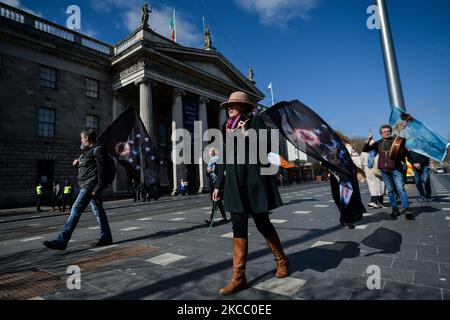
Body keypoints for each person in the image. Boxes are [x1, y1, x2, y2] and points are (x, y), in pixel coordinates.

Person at [212, 91, 288, 295]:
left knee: (263, 223)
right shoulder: (225, 128)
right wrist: (218, 185)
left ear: (244, 107)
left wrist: (246, 135)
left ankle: (281, 261)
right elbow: (223, 158)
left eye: (234, 104)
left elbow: (265, 152)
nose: (229, 107)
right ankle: (239, 277)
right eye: (228, 105)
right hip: (234, 184)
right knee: (238, 226)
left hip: (254, 181)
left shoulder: (257, 122)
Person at [43, 128, 113, 250]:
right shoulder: (88, 152)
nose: (80, 140)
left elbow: (101, 171)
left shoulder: (98, 150)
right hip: (88, 185)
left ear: (87, 138)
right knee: (98, 212)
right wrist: (77, 166)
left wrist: (98, 188)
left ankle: (61, 241)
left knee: (75, 210)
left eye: (81, 138)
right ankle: (106, 237)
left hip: (89, 186)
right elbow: (87, 170)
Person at [362, 124, 414, 220]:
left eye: (388, 131)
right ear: (381, 133)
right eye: (384, 132)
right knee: (390, 190)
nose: (386, 133)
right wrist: (369, 139)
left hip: (396, 169)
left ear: (390, 131)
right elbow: (365, 149)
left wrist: (413, 162)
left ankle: (407, 209)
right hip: (384, 170)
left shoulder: (397, 141)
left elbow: (407, 153)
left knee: (400, 188)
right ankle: (395, 209)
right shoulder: (378, 143)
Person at [205, 147, 227, 225]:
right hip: (213, 183)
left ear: (214, 153)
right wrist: (209, 171)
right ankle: (224, 217)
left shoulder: (218, 161)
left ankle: (211, 218)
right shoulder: (210, 162)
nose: (210, 156)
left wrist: (213, 170)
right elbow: (207, 175)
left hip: (219, 183)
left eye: (211, 154)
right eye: (209, 155)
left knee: (216, 201)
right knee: (218, 201)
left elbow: (220, 171)